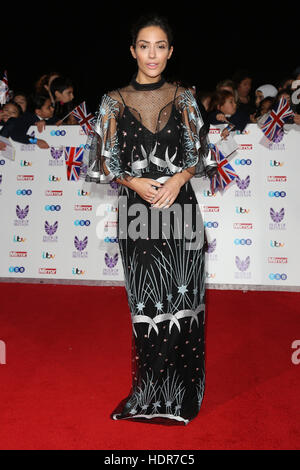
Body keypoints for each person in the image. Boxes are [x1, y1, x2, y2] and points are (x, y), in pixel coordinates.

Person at [82, 14, 217, 425]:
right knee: (146, 300)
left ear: (170, 51)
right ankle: (149, 393)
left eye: (160, 46)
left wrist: (177, 179)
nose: (152, 54)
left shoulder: (184, 97)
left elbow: (200, 155)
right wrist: (135, 183)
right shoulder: (112, 101)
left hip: (180, 210)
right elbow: (105, 161)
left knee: (184, 298)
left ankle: (182, 392)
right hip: (138, 212)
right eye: (144, 45)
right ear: (133, 50)